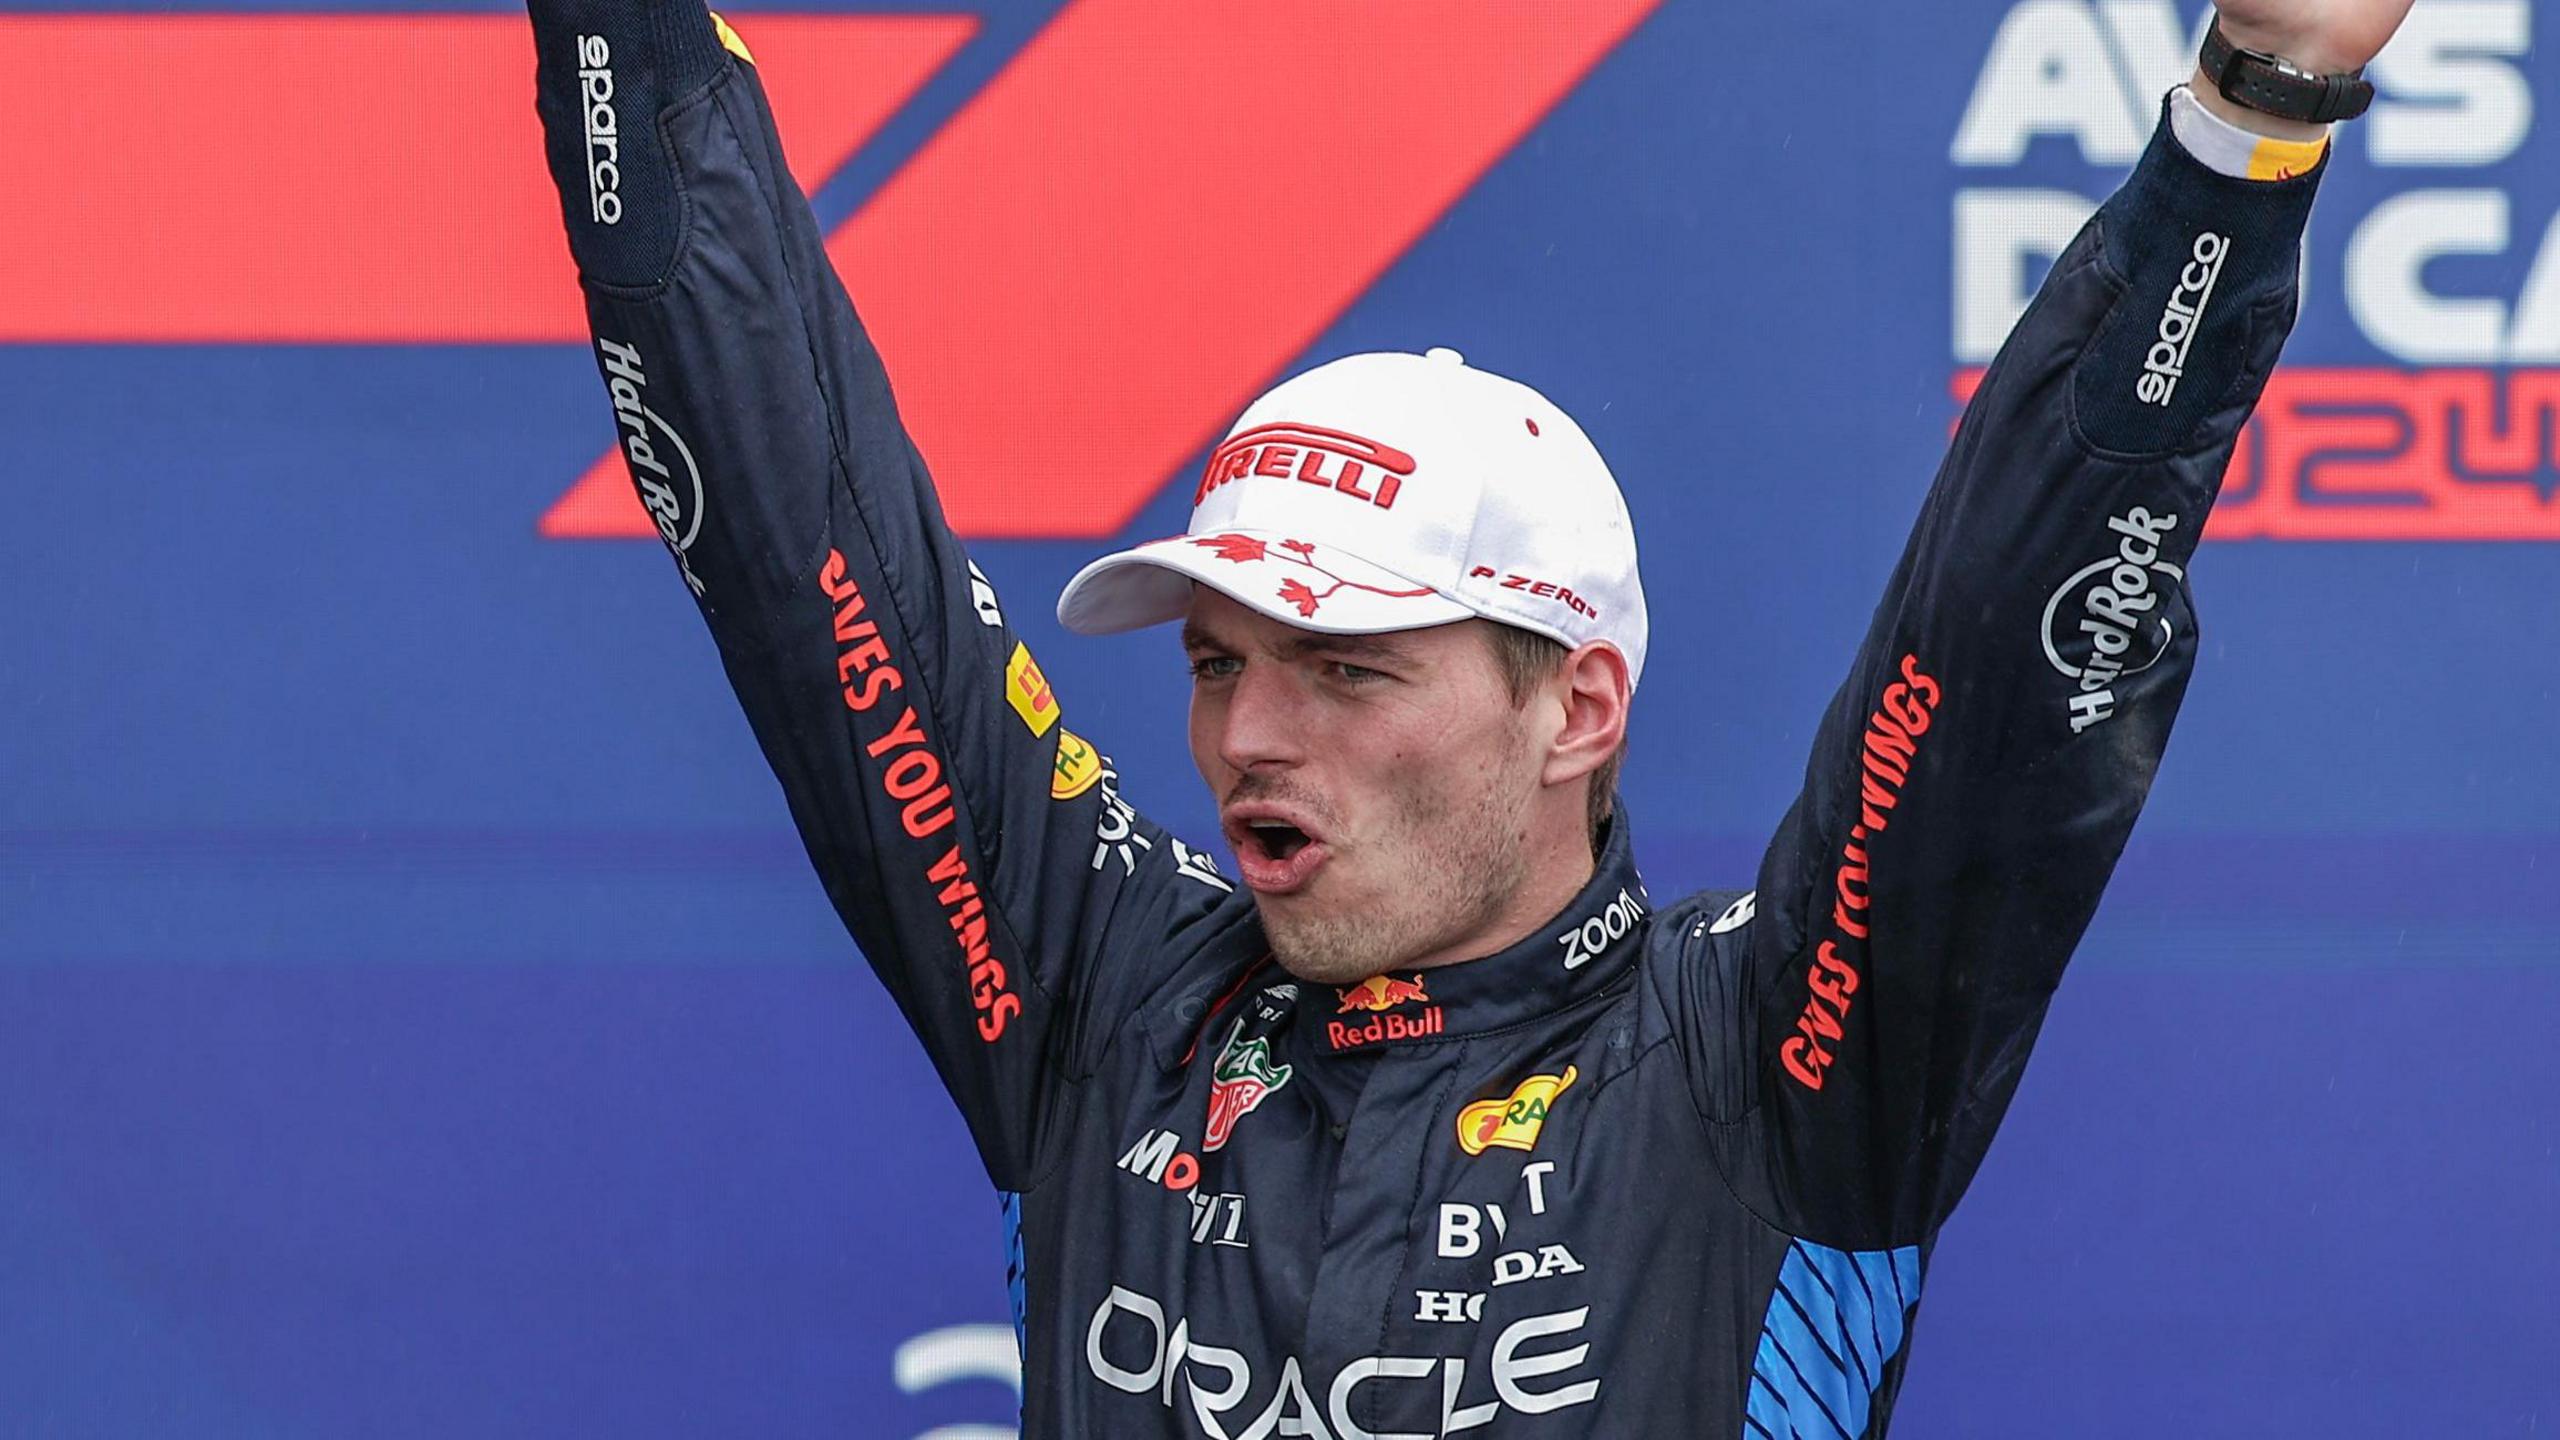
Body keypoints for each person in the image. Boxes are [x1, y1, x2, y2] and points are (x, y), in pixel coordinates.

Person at [523, 0, 2414, 1432]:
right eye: (1213, 659)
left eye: (1347, 670)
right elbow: (796, 536)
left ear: (1576, 703)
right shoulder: (1105, 996)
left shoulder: (1766, 1070)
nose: (1249, 735)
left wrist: (2248, 121)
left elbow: (2001, 650)